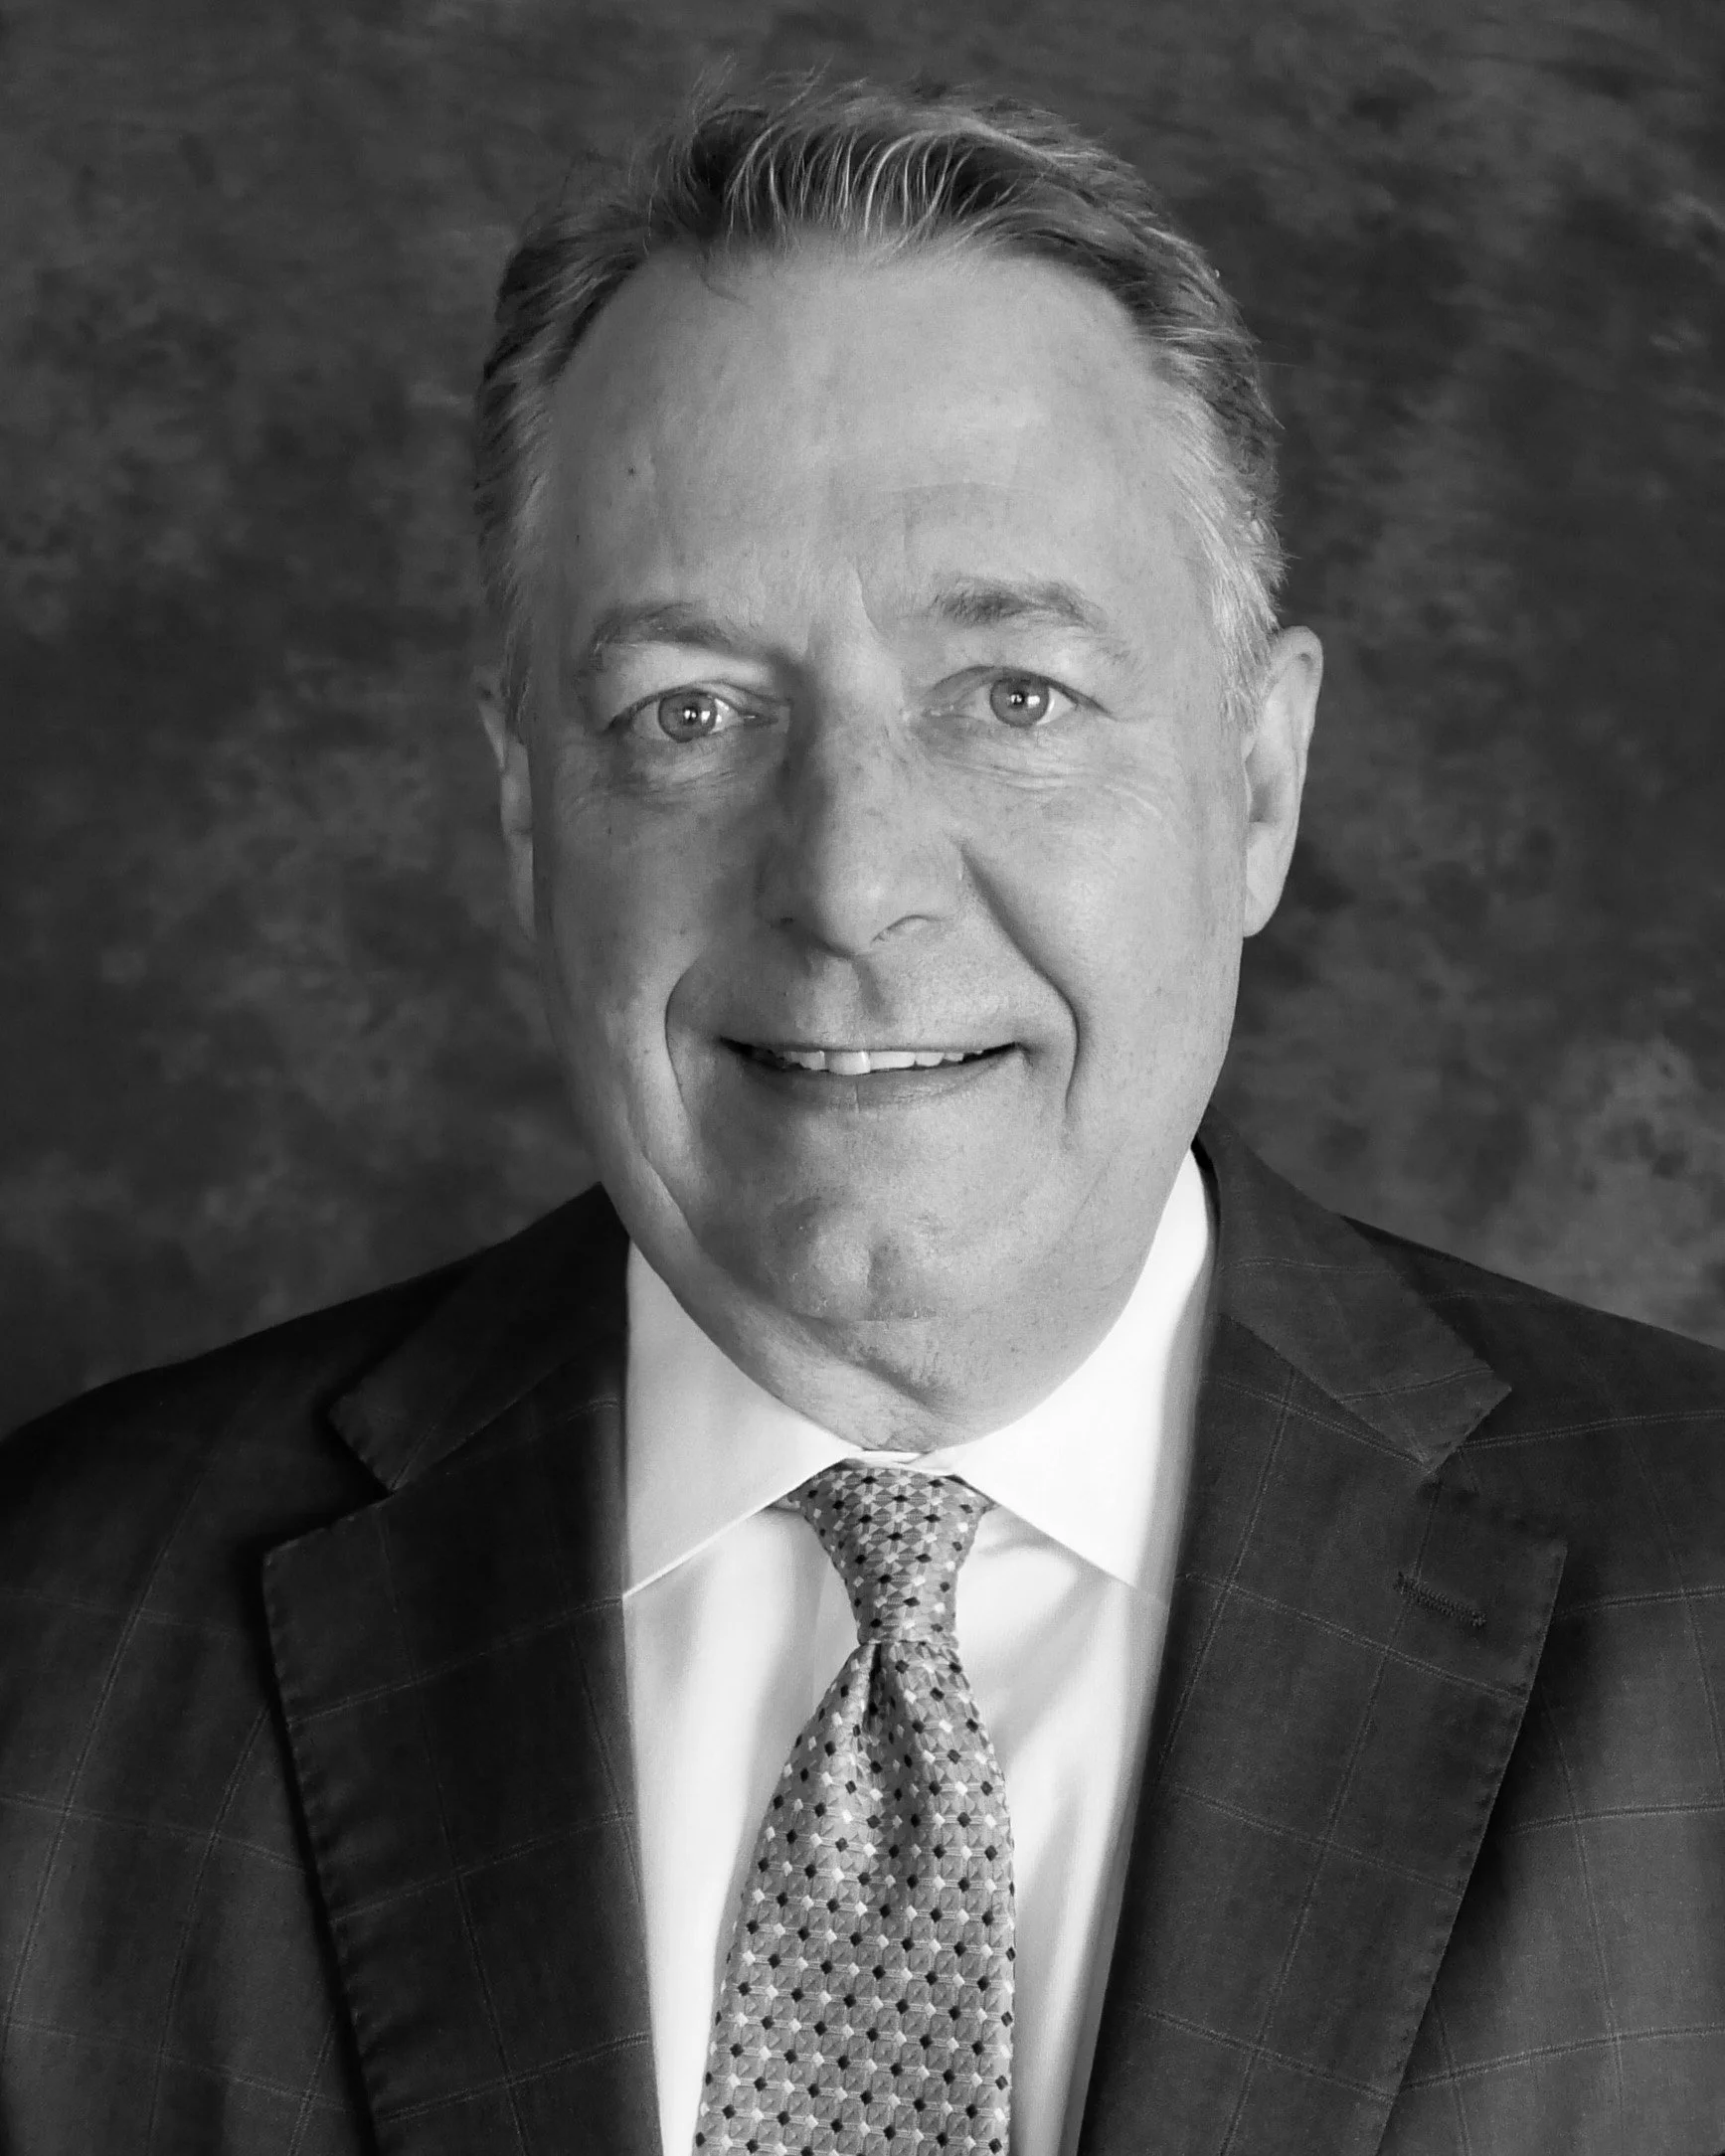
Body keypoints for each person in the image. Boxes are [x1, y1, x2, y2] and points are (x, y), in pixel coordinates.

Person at [0, 74, 1720, 2156]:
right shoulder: (60, 1646)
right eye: (690, 714)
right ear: (529, 813)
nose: (846, 882)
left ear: (1259, 786)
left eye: (1012, 697)